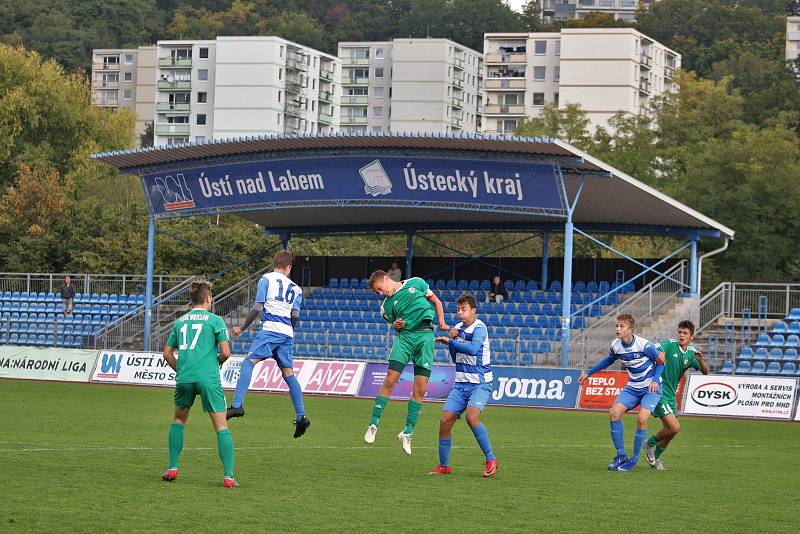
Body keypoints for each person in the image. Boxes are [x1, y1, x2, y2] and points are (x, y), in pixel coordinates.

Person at [160, 280, 237, 488]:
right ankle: (229, 476)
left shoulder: (180, 322)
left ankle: (172, 467)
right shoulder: (216, 321)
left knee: (178, 420)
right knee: (221, 427)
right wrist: (215, 364)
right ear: (209, 298)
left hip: (184, 379)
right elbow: (226, 352)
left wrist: (182, 370)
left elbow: (167, 353)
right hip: (208, 379)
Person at [226, 249, 310, 438]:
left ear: (275, 264)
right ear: (288, 268)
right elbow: (295, 315)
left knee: (248, 363)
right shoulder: (296, 289)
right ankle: (301, 417)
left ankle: (237, 406)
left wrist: (242, 328)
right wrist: (289, 329)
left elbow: (257, 307)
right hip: (287, 333)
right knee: (289, 375)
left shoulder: (266, 279)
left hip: (270, 330)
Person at [363, 270, 449, 454]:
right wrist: (395, 326)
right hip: (406, 339)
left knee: (420, 389)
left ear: (385, 279)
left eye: (380, 289)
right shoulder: (385, 308)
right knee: (390, 380)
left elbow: (436, 302)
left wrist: (441, 320)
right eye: (377, 292)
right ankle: (373, 423)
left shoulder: (416, 282)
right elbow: (396, 325)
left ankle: (407, 433)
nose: (380, 293)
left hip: (425, 337)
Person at [578, 313, 665, 472]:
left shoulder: (644, 345)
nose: (617, 329)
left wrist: (655, 380)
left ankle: (634, 459)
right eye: (616, 326)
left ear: (630, 329)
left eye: (621, 326)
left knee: (642, 418)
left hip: (651, 388)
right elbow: (608, 360)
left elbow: (661, 362)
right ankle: (621, 456)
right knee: (614, 413)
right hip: (632, 387)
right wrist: (588, 373)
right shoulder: (616, 345)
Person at [431, 293, 498, 477]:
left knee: (471, 416)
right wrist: (451, 342)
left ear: (473, 311)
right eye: (458, 309)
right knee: (445, 421)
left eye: (464, 309)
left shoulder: (479, 328)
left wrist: (451, 340)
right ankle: (444, 465)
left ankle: (491, 459)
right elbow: (456, 357)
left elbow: (473, 349)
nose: (460, 313)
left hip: (480, 383)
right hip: (461, 383)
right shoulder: (457, 328)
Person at [644, 320, 709, 470]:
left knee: (671, 433)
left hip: (671, 396)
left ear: (691, 336)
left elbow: (705, 372)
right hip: (659, 392)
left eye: (685, 333)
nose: (681, 335)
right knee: (674, 427)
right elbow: (655, 350)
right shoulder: (669, 344)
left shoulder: (692, 354)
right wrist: (658, 358)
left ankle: (656, 459)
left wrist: (701, 361)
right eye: (680, 332)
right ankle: (649, 445)